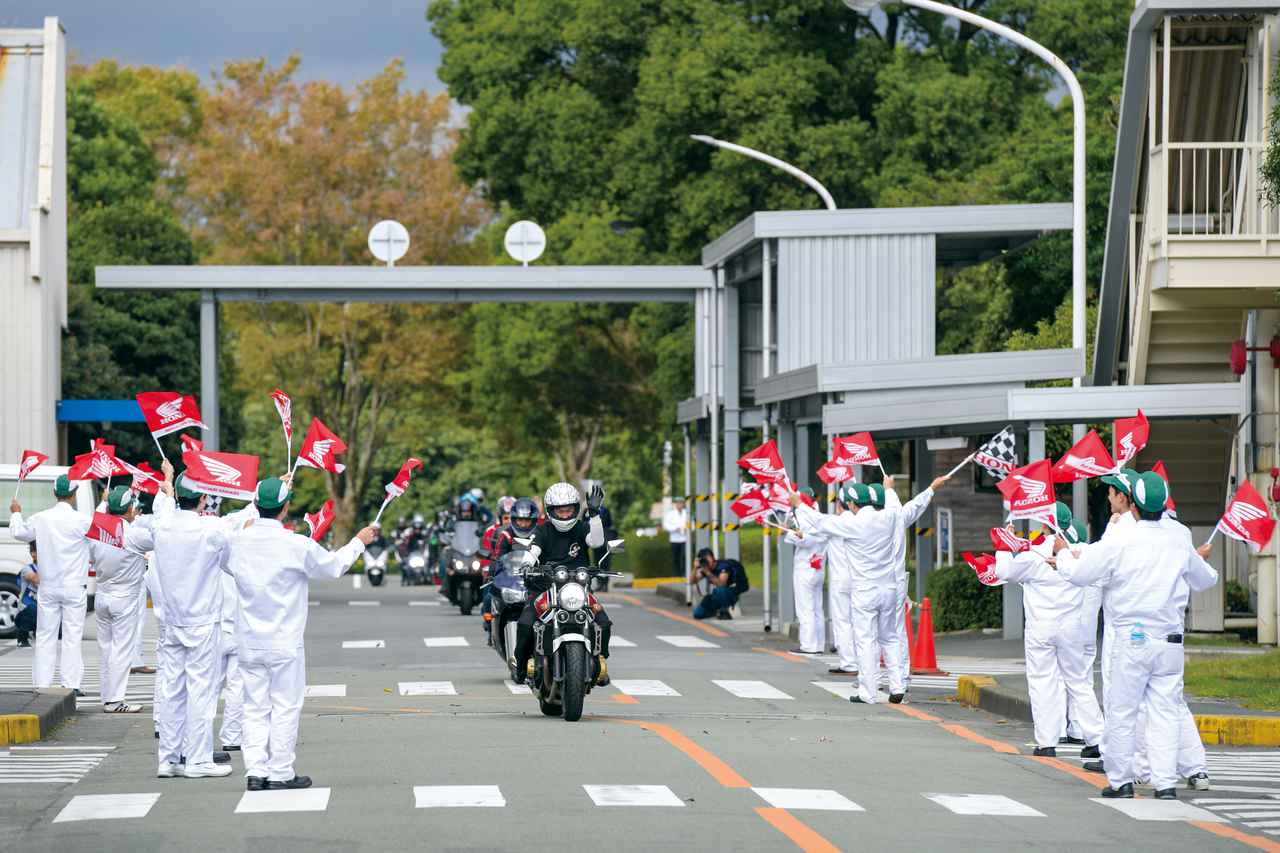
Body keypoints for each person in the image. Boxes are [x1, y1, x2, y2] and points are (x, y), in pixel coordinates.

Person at [1055, 471, 1218, 800]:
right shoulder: (1179, 536)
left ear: (1135, 505)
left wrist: (1061, 555)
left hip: (1132, 638)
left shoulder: (1121, 537)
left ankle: (1121, 781)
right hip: (1171, 641)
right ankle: (1165, 783)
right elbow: (1205, 580)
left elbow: (1080, 574)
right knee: (1165, 710)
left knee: (1123, 711)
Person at [222, 475, 376, 791]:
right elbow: (334, 568)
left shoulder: (236, 543)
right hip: (283, 642)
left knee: (254, 707)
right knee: (284, 707)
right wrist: (359, 541)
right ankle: (280, 772)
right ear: (285, 507)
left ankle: (255, 772)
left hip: (248, 641)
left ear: (256, 505)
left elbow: (227, 564)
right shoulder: (295, 544)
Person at [989, 502, 1103, 759]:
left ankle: (1047, 741)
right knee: (1079, 682)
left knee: (1043, 682)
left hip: (1041, 626)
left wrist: (1006, 544)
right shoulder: (1081, 551)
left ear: (1044, 524)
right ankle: (1096, 738)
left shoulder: (1034, 553)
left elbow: (1004, 570)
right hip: (1072, 626)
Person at [149, 462, 235, 780]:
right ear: (202, 501)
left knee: (172, 690)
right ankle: (198, 759)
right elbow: (234, 543)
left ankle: (168, 759)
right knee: (201, 690)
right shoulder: (210, 530)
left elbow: (135, 538)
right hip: (202, 621)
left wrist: (167, 488)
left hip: (172, 620)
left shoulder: (161, 526)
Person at [791, 480, 904, 705]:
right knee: (890, 638)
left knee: (866, 641)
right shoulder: (889, 517)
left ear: (852, 504)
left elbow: (820, 521)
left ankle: (868, 692)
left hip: (865, 590)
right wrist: (889, 488)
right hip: (889, 588)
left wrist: (799, 505)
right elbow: (894, 504)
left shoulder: (852, 525)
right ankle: (898, 686)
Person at [512, 482, 611, 685]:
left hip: (578, 589)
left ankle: (598, 662)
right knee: (525, 624)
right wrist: (526, 565)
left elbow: (597, 542)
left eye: (569, 510)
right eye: (560, 510)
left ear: (576, 509)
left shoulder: (581, 527)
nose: (565, 515)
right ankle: (521, 667)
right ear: (551, 510)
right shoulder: (543, 530)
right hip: (545, 588)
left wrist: (594, 515)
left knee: (603, 622)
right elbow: (533, 551)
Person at [9, 475, 91, 695]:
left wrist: (16, 512)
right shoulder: (83, 520)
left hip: (48, 586)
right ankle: (71, 684)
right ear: (74, 495)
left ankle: (42, 685)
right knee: (72, 637)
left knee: (45, 636)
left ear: (54, 493)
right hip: (74, 587)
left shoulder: (41, 518)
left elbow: (18, 532)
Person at [871, 476, 950, 687]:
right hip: (896, 583)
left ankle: (872, 680)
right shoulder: (898, 517)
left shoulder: (870, 522)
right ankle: (901, 679)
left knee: (870, 633)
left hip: (873, 584)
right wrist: (932, 487)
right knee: (896, 634)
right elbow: (915, 506)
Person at [86, 486, 156, 713]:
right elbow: (162, 537)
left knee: (106, 649)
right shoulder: (133, 533)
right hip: (124, 597)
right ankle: (115, 700)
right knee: (121, 650)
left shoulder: (97, 530)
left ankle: (108, 696)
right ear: (129, 508)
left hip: (102, 594)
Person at [784, 489, 827, 655]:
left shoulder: (803, 517)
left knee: (805, 608)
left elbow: (800, 539)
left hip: (805, 567)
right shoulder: (819, 516)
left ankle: (808, 645)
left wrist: (790, 531)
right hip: (818, 567)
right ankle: (818, 644)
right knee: (817, 608)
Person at [692, 548, 748, 620]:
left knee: (719, 590)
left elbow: (721, 584)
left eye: (707, 559)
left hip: (732, 593)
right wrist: (695, 568)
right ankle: (716, 612)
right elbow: (692, 581)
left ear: (712, 558)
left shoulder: (723, 566)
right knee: (698, 614)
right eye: (704, 560)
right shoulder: (705, 568)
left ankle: (724, 611)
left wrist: (707, 572)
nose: (706, 562)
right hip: (719, 595)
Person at [15, 543, 38, 647]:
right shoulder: (27, 569)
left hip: (44, 610)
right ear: (33, 554)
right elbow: (36, 580)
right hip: (26, 611)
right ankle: (22, 636)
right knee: (33, 608)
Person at [662, 497, 689, 579]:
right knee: (675, 558)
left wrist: (686, 528)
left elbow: (692, 524)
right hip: (674, 539)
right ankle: (677, 574)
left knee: (684, 556)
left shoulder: (687, 513)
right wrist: (675, 528)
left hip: (685, 538)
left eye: (681, 503)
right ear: (676, 504)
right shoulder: (670, 514)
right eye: (678, 503)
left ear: (683, 504)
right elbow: (666, 526)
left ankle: (684, 573)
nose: (680, 505)